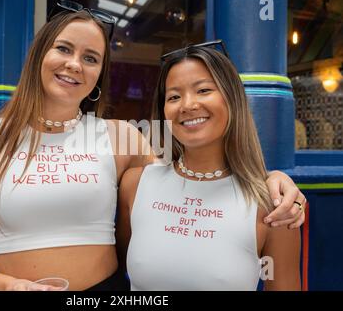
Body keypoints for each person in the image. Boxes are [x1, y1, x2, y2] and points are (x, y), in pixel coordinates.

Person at [0, 0, 305, 291]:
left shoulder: (122, 136)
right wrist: (6, 286)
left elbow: (192, 173)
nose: (74, 65)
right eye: (63, 49)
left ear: (98, 77)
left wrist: (271, 179)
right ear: (38, 57)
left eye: (91, 58)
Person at [117, 42, 302, 290]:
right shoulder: (135, 185)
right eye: (173, 96)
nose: (187, 105)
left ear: (231, 99)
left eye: (203, 90)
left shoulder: (274, 206)